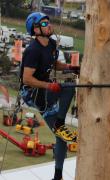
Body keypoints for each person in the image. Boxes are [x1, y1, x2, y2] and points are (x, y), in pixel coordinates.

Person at [20, 12, 80, 180]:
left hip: (45, 92)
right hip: (33, 92)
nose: (49, 25)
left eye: (49, 22)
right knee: (67, 87)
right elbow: (27, 79)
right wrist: (49, 85)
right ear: (36, 29)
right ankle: (60, 121)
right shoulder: (33, 50)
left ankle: (57, 175)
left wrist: (70, 67)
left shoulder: (51, 44)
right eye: (44, 24)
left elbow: (53, 63)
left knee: (60, 137)